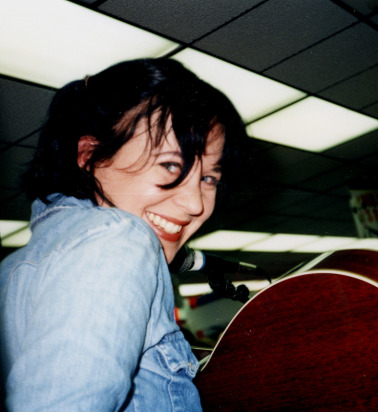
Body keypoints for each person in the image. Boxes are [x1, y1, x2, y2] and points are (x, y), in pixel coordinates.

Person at [0, 58, 247, 411]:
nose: (196, 204)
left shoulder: (14, 269)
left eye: (209, 178)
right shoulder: (120, 239)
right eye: (171, 165)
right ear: (89, 155)